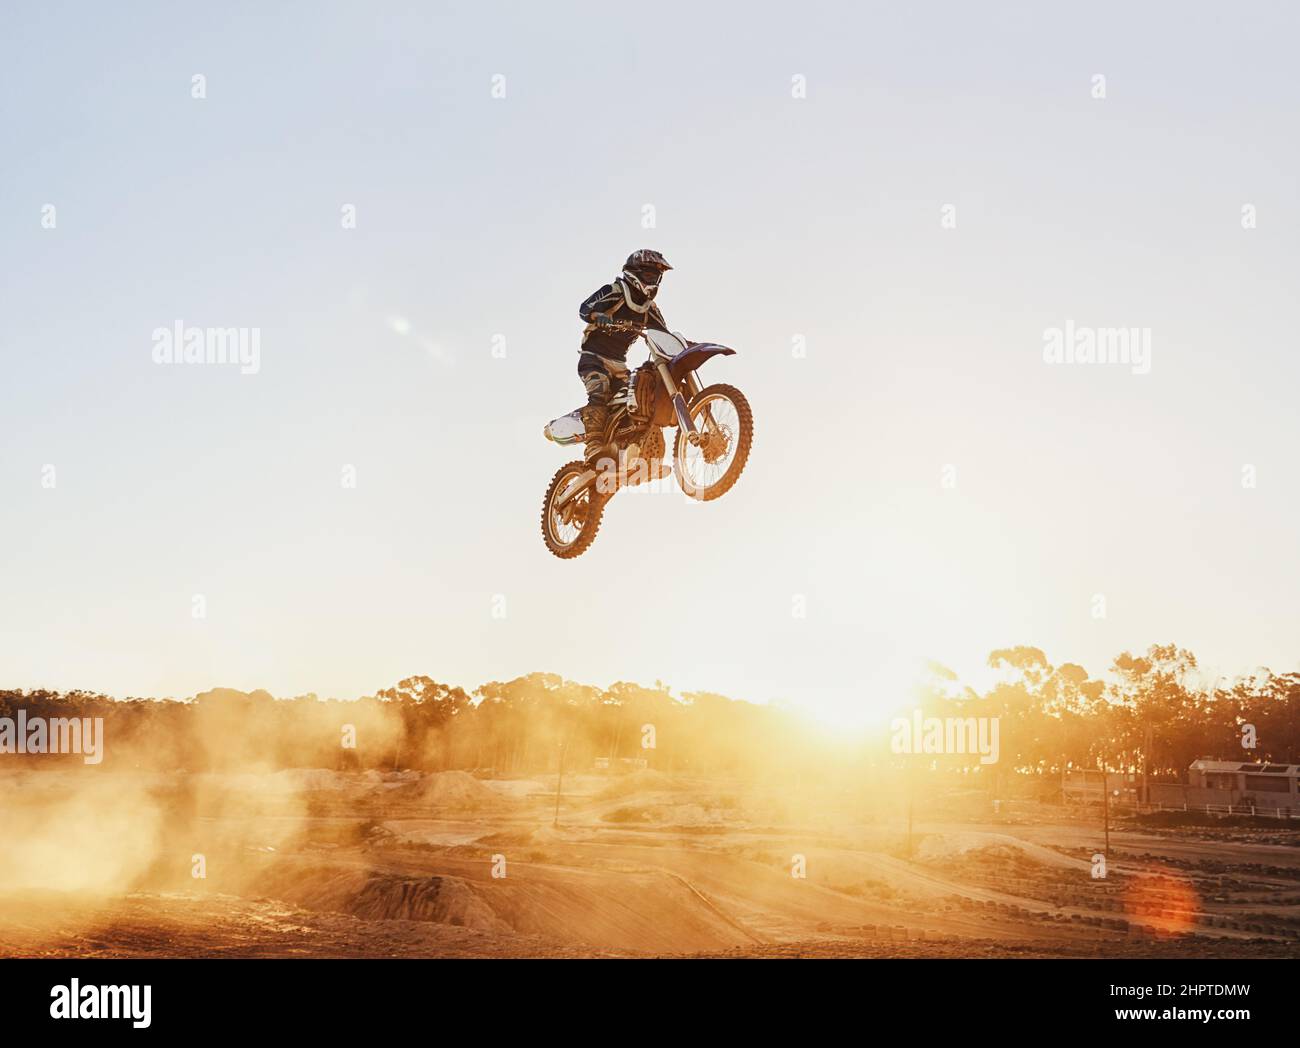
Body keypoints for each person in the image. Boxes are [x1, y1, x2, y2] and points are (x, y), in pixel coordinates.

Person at [575, 249, 672, 461]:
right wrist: (597, 315)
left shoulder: (649, 309)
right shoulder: (615, 291)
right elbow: (584, 309)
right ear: (634, 273)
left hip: (619, 365)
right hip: (593, 357)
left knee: (639, 400)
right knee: (599, 392)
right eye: (648, 276)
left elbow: (664, 336)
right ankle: (593, 446)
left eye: (656, 277)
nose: (653, 281)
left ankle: (634, 449)